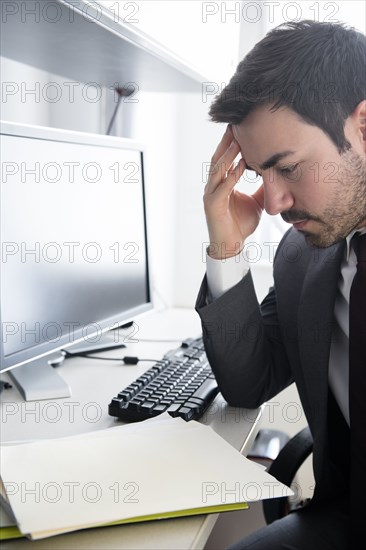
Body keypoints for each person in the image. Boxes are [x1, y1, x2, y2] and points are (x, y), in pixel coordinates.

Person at [195, 20, 366, 549]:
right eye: (257, 172)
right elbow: (248, 383)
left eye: (288, 167)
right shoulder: (304, 255)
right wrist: (227, 247)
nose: (272, 203)